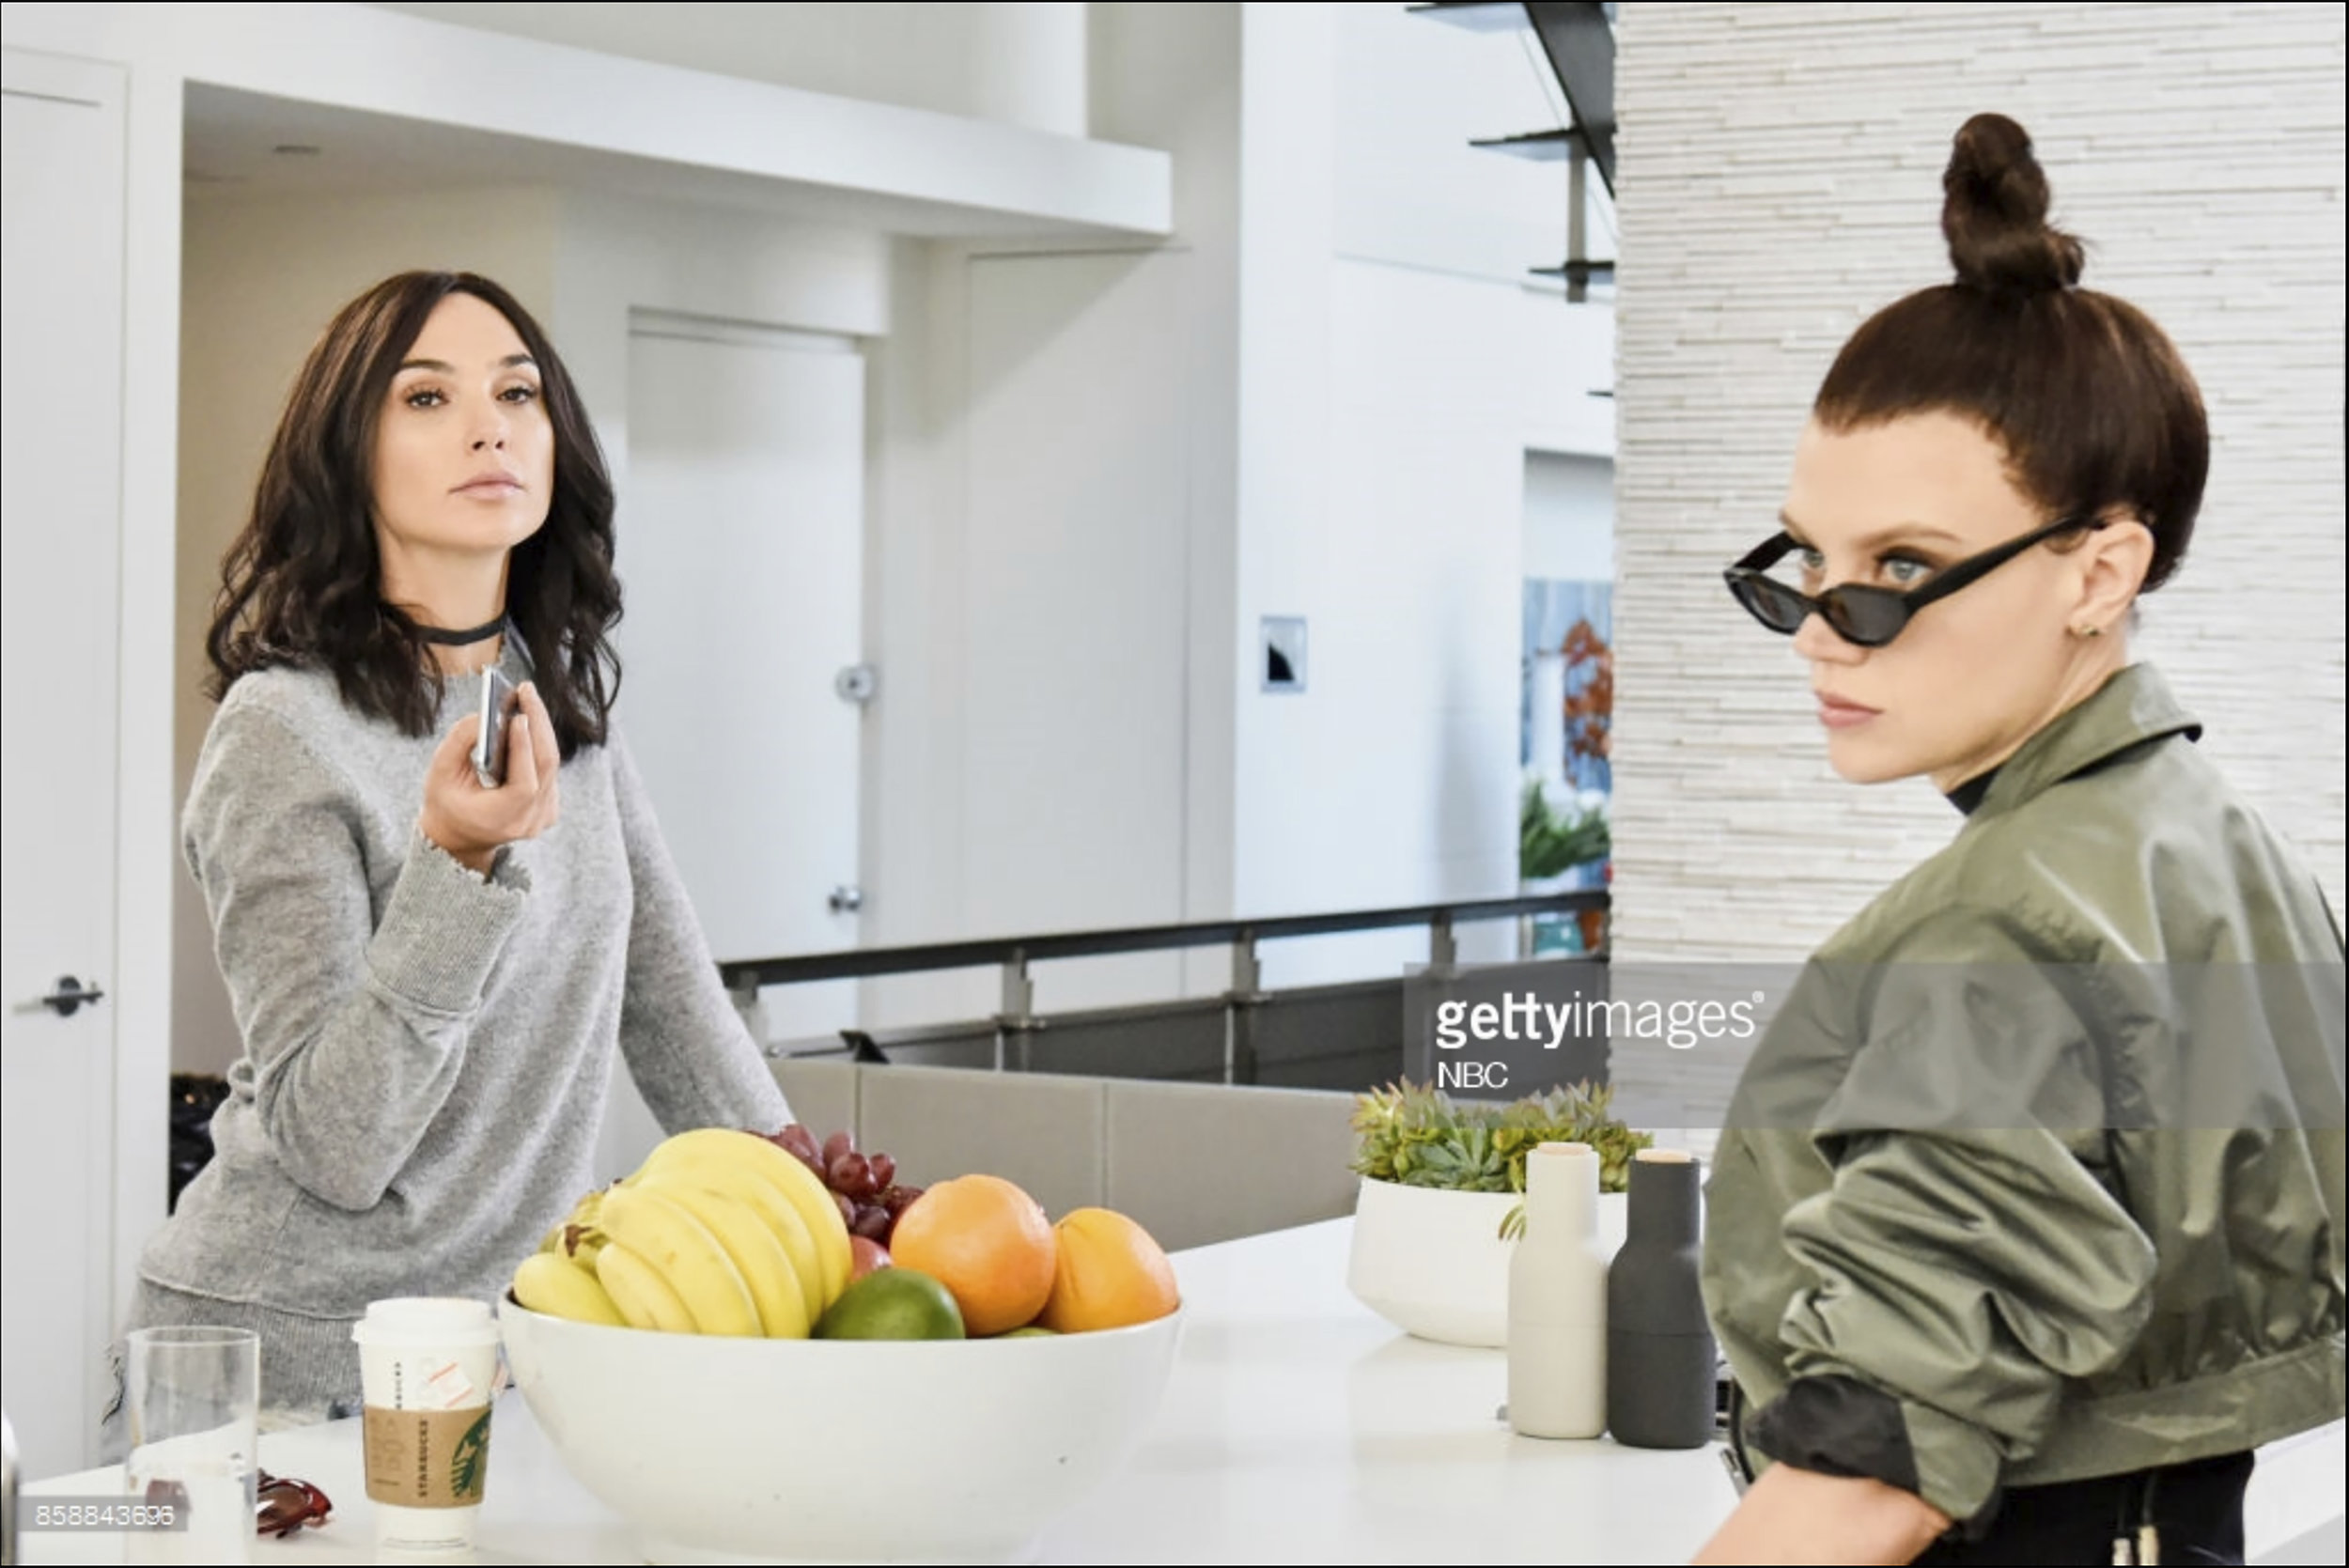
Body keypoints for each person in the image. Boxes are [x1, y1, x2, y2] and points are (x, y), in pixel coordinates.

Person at [1695, 116, 2344, 1564]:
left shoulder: (2007, 918)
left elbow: (1884, 1451)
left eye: (1901, 571)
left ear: (2099, 571)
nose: (1819, 630)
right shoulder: (2211, 836)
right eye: (1807, 561)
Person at [118, 271, 791, 1428]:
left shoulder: (557, 713)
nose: (488, 425)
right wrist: (456, 865)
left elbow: (673, 1005)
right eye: (425, 398)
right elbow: (336, 1144)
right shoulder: (284, 732)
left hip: (510, 1342)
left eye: (516, 392)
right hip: (289, 1365)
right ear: (347, 457)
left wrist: (821, 1217)